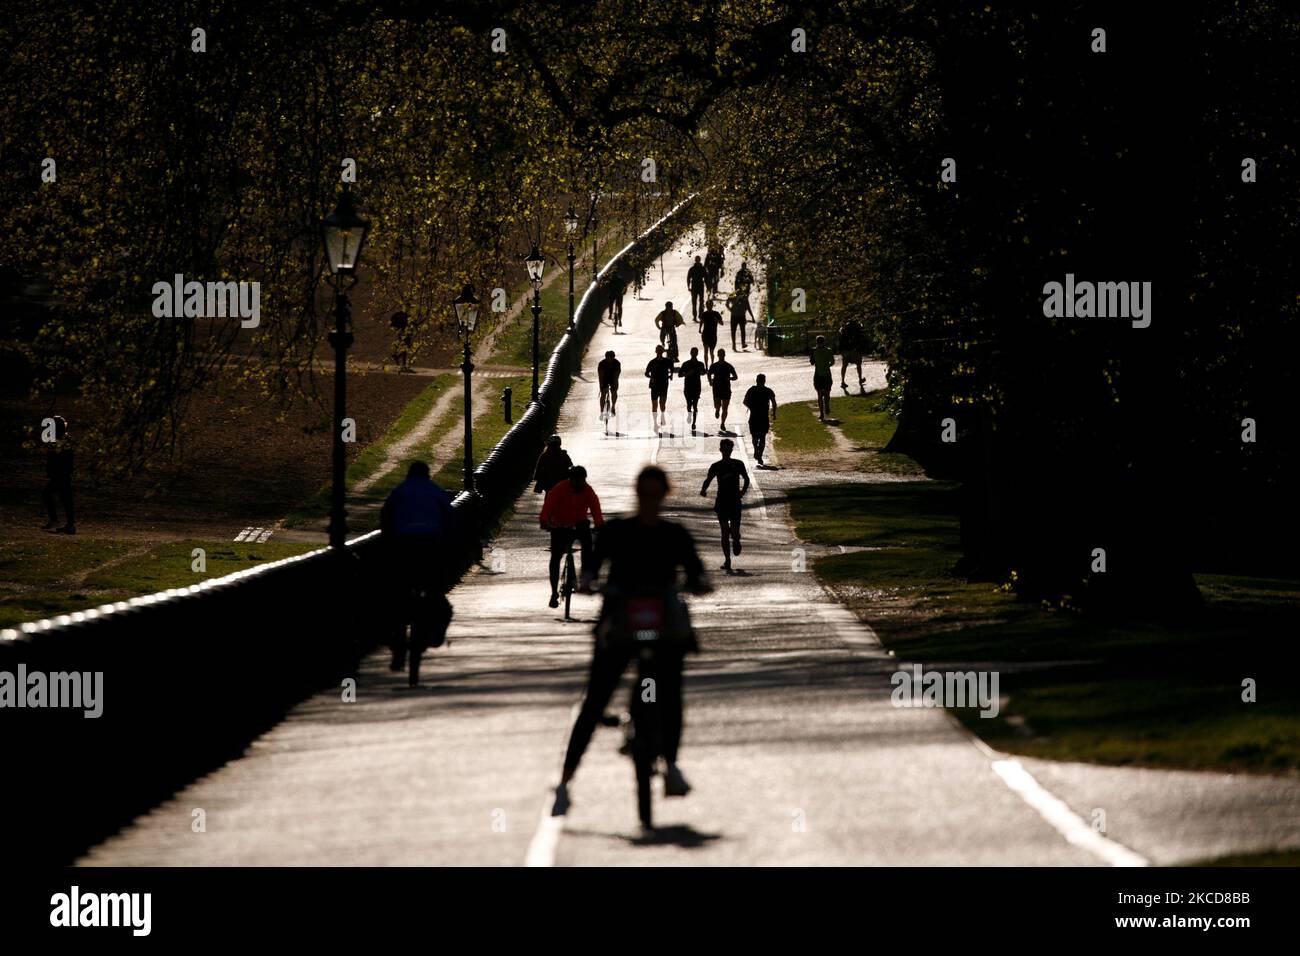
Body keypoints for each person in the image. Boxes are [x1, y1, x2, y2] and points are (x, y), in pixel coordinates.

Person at [552, 466, 711, 828]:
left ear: (663, 495)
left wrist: (700, 583)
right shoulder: (617, 531)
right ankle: (565, 780)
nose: (650, 500)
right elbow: (593, 566)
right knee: (596, 698)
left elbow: (696, 570)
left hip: (663, 624)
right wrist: (589, 582)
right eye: (644, 493)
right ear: (637, 493)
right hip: (620, 623)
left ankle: (671, 763)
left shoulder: (675, 535)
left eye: (655, 494)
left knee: (670, 691)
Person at [380, 461, 456, 683]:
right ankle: (433, 634)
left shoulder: (400, 491)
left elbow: (386, 517)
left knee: (395, 597)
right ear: (428, 474)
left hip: (403, 548)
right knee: (437, 597)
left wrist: (389, 544)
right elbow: (451, 522)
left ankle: (397, 648)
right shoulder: (436, 491)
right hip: (431, 548)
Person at [540, 465, 605, 609]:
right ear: (571, 480)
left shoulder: (588, 490)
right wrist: (544, 521)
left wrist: (599, 524)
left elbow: (595, 508)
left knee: (587, 546)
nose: (581, 483)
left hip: (580, 524)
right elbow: (548, 505)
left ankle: (585, 578)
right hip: (560, 525)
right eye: (578, 481)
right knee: (556, 557)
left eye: (583, 480)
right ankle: (553, 593)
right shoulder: (559, 489)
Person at [701, 439, 750, 572]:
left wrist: (742, 491)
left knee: (732, 530)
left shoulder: (738, 464)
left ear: (731, 451)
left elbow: (746, 479)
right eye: (725, 449)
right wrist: (703, 489)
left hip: (734, 501)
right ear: (721, 450)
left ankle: (735, 540)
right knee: (724, 531)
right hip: (722, 502)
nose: (727, 452)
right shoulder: (716, 466)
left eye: (729, 450)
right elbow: (708, 479)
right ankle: (727, 559)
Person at [41, 415, 75, 534]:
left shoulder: (61, 441)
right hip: (61, 473)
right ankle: (65, 523)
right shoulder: (63, 440)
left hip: (61, 474)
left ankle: (66, 523)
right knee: (64, 498)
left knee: (61, 497)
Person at [743, 373, 778, 466]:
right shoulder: (768, 391)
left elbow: (745, 401)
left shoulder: (751, 390)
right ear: (764, 381)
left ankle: (755, 450)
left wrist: (751, 407)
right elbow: (774, 403)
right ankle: (760, 456)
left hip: (754, 416)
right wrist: (774, 414)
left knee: (754, 436)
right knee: (762, 437)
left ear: (756, 380)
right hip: (764, 417)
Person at [707, 347, 738, 431]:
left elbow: (735, 376)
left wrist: (730, 378)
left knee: (725, 407)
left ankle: (722, 423)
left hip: (726, 388)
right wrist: (710, 381)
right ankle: (717, 410)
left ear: (724, 355)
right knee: (717, 405)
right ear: (717, 355)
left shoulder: (728, 366)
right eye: (719, 354)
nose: (721, 356)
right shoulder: (714, 366)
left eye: (722, 354)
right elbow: (709, 373)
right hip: (716, 388)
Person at [645, 344, 674, 430]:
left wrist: (671, 375)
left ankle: (662, 415)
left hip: (664, 384)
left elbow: (672, 368)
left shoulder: (667, 361)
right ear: (656, 352)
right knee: (654, 405)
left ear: (662, 352)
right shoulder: (652, 362)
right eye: (658, 350)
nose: (659, 352)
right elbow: (646, 373)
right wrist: (651, 377)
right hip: (654, 385)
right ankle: (655, 423)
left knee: (662, 403)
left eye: (660, 351)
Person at [678, 347, 706, 434]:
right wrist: (687, 374)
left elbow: (704, 372)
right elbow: (679, 374)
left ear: (697, 354)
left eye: (695, 352)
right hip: (688, 387)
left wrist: (702, 373)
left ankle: (694, 422)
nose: (694, 354)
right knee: (689, 405)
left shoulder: (700, 364)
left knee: (695, 406)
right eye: (693, 352)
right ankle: (689, 414)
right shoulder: (686, 364)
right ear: (690, 353)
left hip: (697, 387)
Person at [810, 334, 835, 421]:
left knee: (820, 395)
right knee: (827, 394)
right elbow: (832, 362)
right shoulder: (829, 350)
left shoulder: (814, 351)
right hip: (827, 374)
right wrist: (826, 365)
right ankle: (827, 406)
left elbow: (812, 362)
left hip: (818, 375)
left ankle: (821, 414)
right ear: (824, 342)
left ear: (816, 342)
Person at [839, 318, 866, 392]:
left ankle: (843, 381)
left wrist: (841, 350)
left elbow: (841, 340)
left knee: (844, 365)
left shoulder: (844, 328)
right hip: (854, 349)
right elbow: (861, 338)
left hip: (846, 350)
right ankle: (860, 379)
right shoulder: (857, 327)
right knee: (858, 365)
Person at [698, 298, 723, 368]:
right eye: (707, 305)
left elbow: (722, 323)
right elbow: (701, 321)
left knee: (711, 352)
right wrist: (700, 328)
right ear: (706, 306)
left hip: (713, 335)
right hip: (705, 334)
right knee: (705, 350)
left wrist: (717, 320)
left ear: (712, 306)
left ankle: (712, 364)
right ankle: (706, 367)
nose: (709, 306)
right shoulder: (704, 314)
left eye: (710, 305)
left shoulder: (716, 314)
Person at [597, 350, 621, 421]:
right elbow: (600, 376)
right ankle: (601, 412)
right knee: (603, 394)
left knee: (614, 391)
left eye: (611, 358)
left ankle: (613, 406)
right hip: (604, 378)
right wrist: (601, 386)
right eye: (608, 358)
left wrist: (614, 386)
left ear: (613, 358)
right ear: (606, 357)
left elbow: (616, 376)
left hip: (613, 377)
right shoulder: (602, 364)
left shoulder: (617, 363)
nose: (609, 360)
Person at [686, 255, 708, 321]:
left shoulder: (703, 268)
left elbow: (706, 278)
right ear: (695, 260)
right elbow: (688, 278)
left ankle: (700, 315)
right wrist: (688, 286)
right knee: (694, 302)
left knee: (701, 302)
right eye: (696, 259)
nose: (697, 260)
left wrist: (708, 287)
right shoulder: (692, 269)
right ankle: (695, 316)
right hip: (694, 287)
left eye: (698, 259)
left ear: (700, 260)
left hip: (700, 286)